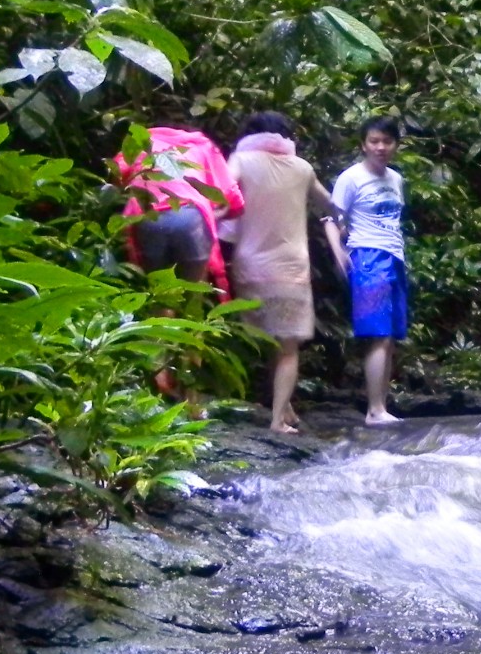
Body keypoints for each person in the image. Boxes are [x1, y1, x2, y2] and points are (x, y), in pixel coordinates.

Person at [219, 111, 344, 434]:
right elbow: (330, 203)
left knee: (268, 340)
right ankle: (277, 420)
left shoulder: (241, 160)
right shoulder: (302, 169)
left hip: (250, 266)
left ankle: (284, 409)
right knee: (288, 347)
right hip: (290, 268)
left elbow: (222, 189)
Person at [330, 115, 412, 426]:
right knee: (377, 334)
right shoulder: (350, 178)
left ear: (395, 145)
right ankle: (374, 410)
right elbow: (332, 218)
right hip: (367, 256)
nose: (380, 147)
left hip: (394, 256)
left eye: (387, 142)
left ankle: (381, 407)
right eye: (374, 141)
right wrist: (339, 249)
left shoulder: (395, 179)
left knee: (389, 336)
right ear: (363, 144)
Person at [115, 127, 243, 296]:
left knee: (160, 296)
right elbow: (231, 198)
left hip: (149, 217)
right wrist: (217, 216)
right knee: (192, 294)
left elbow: (117, 178)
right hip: (191, 217)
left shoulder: (137, 144)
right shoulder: (200, 145)